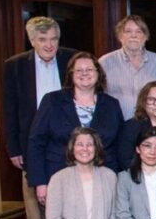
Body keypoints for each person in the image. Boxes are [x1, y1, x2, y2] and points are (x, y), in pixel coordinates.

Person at [3, 16, 74, 219]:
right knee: (35, 205)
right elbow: (10, 111)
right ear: (32, 40)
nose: (49, 45)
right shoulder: (15, 66)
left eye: (53, 39)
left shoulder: (71, 59)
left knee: (70, 203)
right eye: (42, 39)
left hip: (66, 144)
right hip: (31, 146)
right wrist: (13, 148)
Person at [28, 51, 123, 208]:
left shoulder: (111, 104)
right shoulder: (52, 101)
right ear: (71, 74)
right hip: (59, 176)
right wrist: (40, 182)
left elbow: (119, 144)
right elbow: (36, 142)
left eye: (90, 70)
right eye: (79, 70)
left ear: (98, 74)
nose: (84, 74)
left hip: (102, 179)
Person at [99, 15, 156, 120]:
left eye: (139, 31)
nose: (133, 35)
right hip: (116, 125)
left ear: (146, 37)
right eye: (128, 31)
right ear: (120, 36)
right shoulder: (105, 62)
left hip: (149, 126)